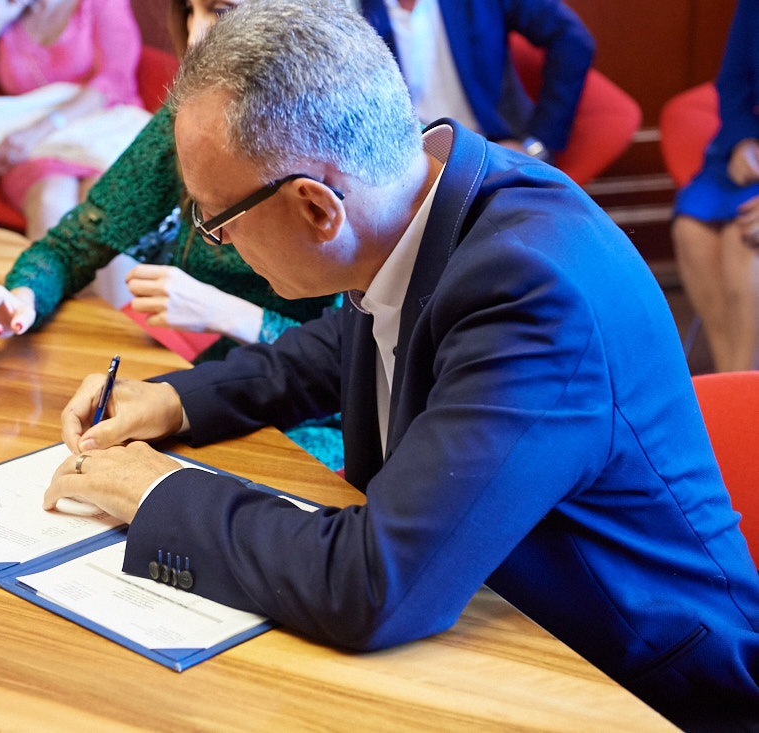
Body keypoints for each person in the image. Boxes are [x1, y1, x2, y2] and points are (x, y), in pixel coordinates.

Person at [44, 1, 759, 728]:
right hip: (494, 621)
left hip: (644, 690)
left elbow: (373, 585)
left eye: (216, 220)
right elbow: (355, 339)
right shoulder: (419, 193)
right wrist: (179, 400)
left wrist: (159, 492)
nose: (214, 242)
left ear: (316, 209)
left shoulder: (533, 295)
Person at [0, 0, 344, 470]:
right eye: (190, 11)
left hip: (326, 417)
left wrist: (226, 312)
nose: (196, 36)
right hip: (218, 384)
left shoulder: (335, 137)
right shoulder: (191, 117)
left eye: (221, 12)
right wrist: (22, 300)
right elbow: (76, 243)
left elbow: (356, 361)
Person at [0, 0, 145, 241]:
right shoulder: (5, 15)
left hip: (101, 140)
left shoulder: (101, 4)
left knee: (102, 207)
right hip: (35, 155)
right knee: (50, 198)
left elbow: (114, 81)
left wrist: (40, 130)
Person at [358, 0, 593, 162]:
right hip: (402, 159)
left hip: (493, 149)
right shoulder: (353, 9)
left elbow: (573, 40)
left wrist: (538, 141)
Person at [672, 0, 759, 373]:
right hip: (749, 146)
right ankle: (732, 377)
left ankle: (743, 386)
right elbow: (733, 80)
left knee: (744, 240)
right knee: (691, 229)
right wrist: (743, 141)